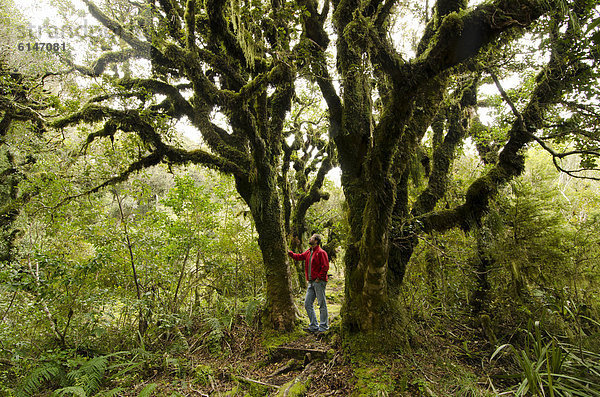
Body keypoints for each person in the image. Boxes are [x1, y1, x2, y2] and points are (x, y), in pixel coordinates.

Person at [288, 233, 329, 334]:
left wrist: (319, 278)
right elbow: (299, 257)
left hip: (319, 282)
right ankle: (314, 326)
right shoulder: (309, 251)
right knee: (307, 304)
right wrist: (290, 253)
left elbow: (325, 267)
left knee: (321, 304)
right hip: (311, 283)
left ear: (316, 241)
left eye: (311, 238)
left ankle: (323, 327)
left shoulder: (321, 252)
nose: (310, 239)